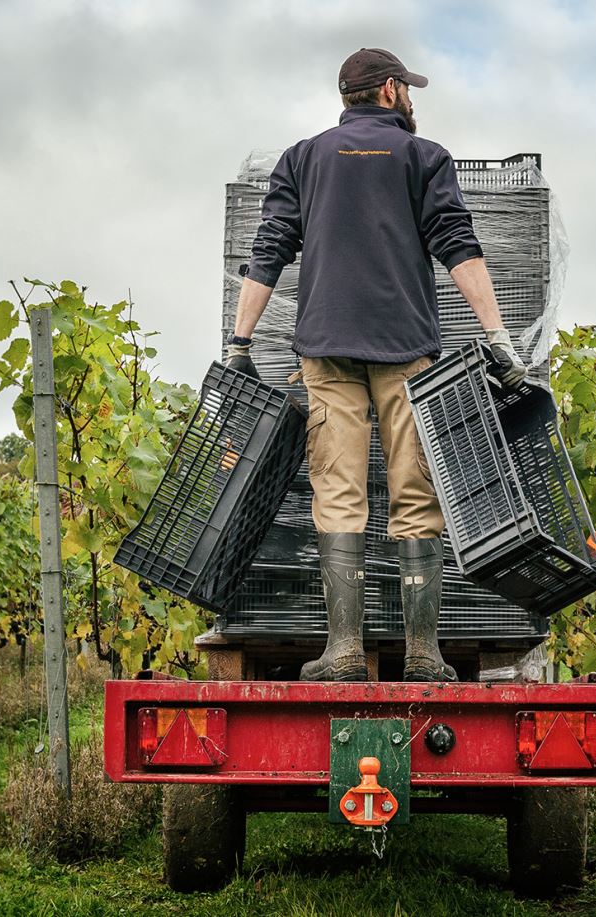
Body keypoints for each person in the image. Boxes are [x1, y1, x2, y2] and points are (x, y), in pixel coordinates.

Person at [225, 47, 527, 683]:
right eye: (408, 88)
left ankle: (341, 654)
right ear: (389, 91)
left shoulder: (302, 158)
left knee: (338, 495)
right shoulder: (424, 157)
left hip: (325, 350)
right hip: (407, 352)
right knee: (415, 496)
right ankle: (423, 654)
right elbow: (456, 244)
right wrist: (497, 334)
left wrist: (241, 343)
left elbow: (269, 248)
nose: (413, 97)